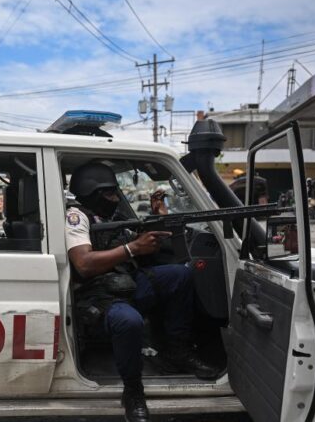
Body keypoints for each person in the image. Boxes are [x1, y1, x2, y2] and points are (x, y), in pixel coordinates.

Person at [65, 162, 216, 422]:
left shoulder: (111, 218)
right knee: (129, 321)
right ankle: (133, 391)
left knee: (180, 275)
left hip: (128, 283)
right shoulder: (77, 218)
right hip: (99, 296)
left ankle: (175, 352)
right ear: (93, 194)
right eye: (111, 194)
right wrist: (133, 248)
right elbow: (84, 264)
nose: (115, 199)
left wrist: (159, 216)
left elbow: (142, 245)